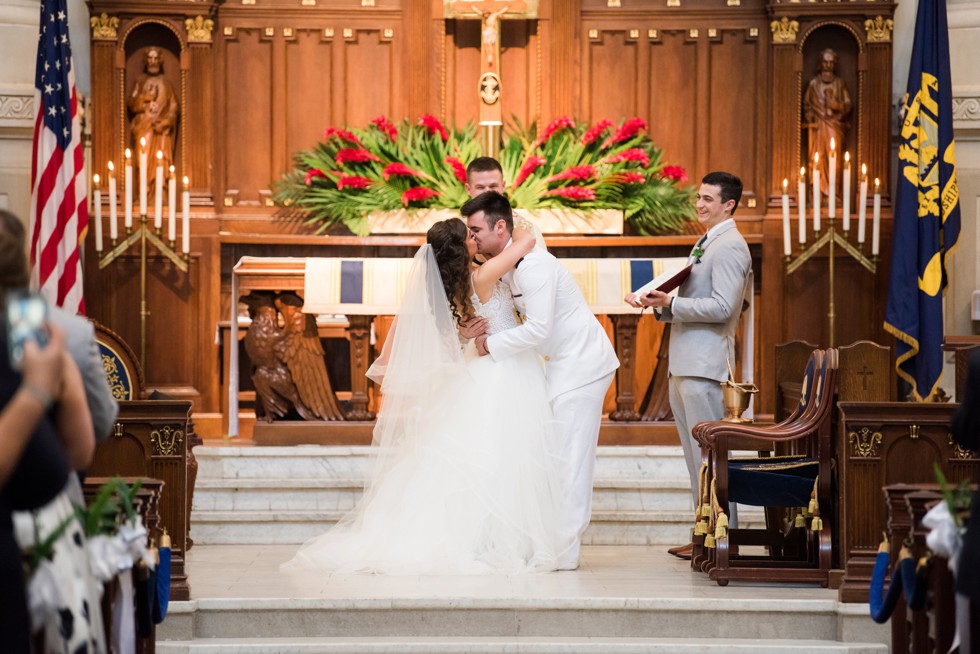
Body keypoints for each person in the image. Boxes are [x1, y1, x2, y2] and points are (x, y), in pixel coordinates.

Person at [283, 217, 569, 574]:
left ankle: (493, 536)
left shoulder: (464, 280)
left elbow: (470, 326)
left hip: (495, 362)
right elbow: (526, 241)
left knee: (496, 454)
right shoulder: (482, 275)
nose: (475, 239)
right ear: (460, 248)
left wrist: (469, 330)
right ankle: (495, 539)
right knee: (501, 453)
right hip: (500, 369)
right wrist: (505, 227)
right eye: (470, 235)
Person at [465, 192, 619, 571]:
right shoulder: (514, 260)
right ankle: (551, 543)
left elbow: (538, 328)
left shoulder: (533, 266)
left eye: (476, 231)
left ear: (501, 227)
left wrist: (489, 345)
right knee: (554, 455)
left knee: (570, 460)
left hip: (583, 365)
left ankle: (563, 553)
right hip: (563, 365)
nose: (473, 240)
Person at [625, 172, 752, 560]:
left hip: (705, 364)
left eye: (708, 199)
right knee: (695, 459)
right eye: (699, 197)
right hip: (686, 362)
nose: (700, 205)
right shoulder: (707, 241)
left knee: (709, 459)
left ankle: (720, 540)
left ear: (729, 205)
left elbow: (724, 307)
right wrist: (659, 305)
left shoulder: (730, 246)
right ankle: (702, 535)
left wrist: (671, 304)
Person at [804, 48, 851, 191]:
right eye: (825, 62)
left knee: (834, 159)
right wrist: (810, 114)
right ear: (821, 63)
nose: (828, 65)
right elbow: (806, 105)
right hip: (818, 126)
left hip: (834, 126)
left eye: (831, 62)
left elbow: (848, 105)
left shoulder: (839, 83)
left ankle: (833, 192)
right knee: (817, 158)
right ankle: (817, 192)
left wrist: (835, 105)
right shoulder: (813, 84)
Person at [128, 47, 179, 174]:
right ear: (146, 60)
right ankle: (142, 193)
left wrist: (166, 122)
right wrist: (146, 98)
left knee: (160, 168)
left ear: (160, 61)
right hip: (143, 129)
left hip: (160, 132)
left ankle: (161, 193)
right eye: (150, 58)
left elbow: (174, 107)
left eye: (156, 58)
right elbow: (131, 104)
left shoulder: (167, 84)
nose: (153, 61)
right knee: (142, 165)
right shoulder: (140, 81)